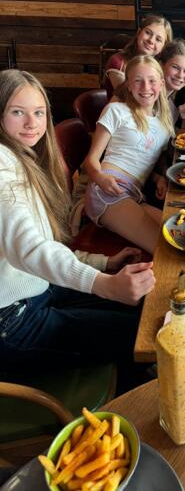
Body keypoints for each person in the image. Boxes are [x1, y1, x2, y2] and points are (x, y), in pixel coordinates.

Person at [0, 69, 156, 370]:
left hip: (39, 288)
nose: (32, 123)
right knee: (140, 336)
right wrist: (106, 285)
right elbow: (30, 250)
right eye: (18, 112)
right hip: (11, 321)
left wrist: (102, 263)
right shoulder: (2, 166)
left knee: (144, 309)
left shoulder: (23, 158)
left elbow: (42, 247)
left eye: (39, 112)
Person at [85, 55, 175, 253]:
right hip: (108, 190)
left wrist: (158, 178)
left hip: (134, 194)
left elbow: (141, 159)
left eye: (152, 81)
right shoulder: (116, 111)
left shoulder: (163, 123)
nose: (146, 87)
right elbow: (90, 160)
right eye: (138, 81)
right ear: (128, 85)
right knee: (164, 249)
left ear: (161, 84)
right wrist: (100, 178)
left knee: (177, 234)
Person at [104, 14, 173, 101]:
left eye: (158, 39)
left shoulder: (159, 68)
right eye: (148, 33)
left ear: (163, 46)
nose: (151, 40)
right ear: (138, 33)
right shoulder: (118, 62)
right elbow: (133, 100)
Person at [158, 38, 185, 124]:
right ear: (161, 65)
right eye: (175, 67)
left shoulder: (170, 96)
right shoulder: (151, 97)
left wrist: (180, 115)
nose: (180, 75)